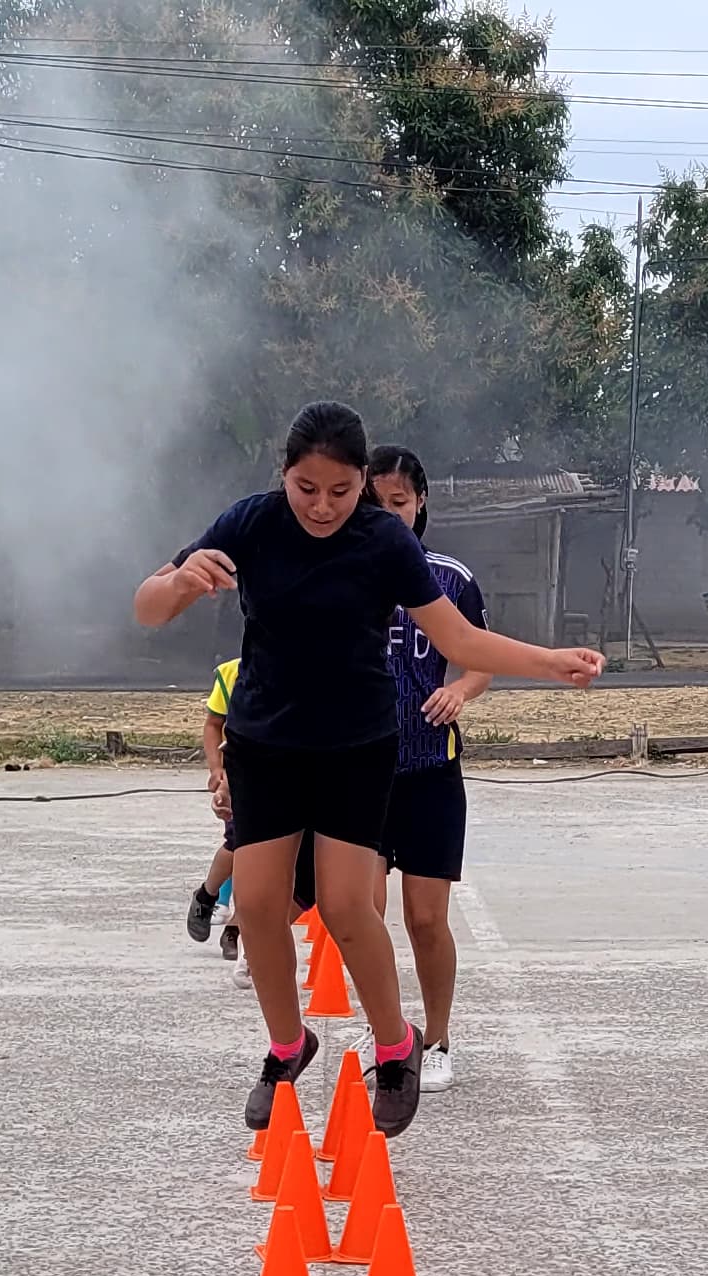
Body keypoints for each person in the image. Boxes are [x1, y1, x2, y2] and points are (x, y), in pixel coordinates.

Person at [136, 401, 604, 1135]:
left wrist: (550, 662)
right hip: (263, 741)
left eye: (340, 490)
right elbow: (147, 608)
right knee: (255, 906)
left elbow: (457, 637)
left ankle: (395, 1046)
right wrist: (181, 582)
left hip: (355, 745)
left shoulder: (384, 540)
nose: (322, 505)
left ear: (362, 481)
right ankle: (286, 1047)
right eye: (306, 488)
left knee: (348, 907)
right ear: (284, 475)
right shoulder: (249, 523)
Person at [366, 445, 482, 1093]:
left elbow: (480, 656)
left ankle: (436, 1039)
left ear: (421, 503)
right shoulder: (345, 575)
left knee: (426, 918)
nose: (389, 515)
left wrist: (460, 689)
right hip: (360, 772)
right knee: (361, 914)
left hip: (430, 770)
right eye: (376, 503)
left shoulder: (450, 579)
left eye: (399, 502)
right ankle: (389, 1035)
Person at [193, 658, 314, 988]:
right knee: (242, 850)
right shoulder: (237, 673)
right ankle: (210, 899)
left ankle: (245, 933)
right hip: (258, 778)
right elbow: (223, 727)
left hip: (317, 773)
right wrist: (221, 776)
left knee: (308, 882)